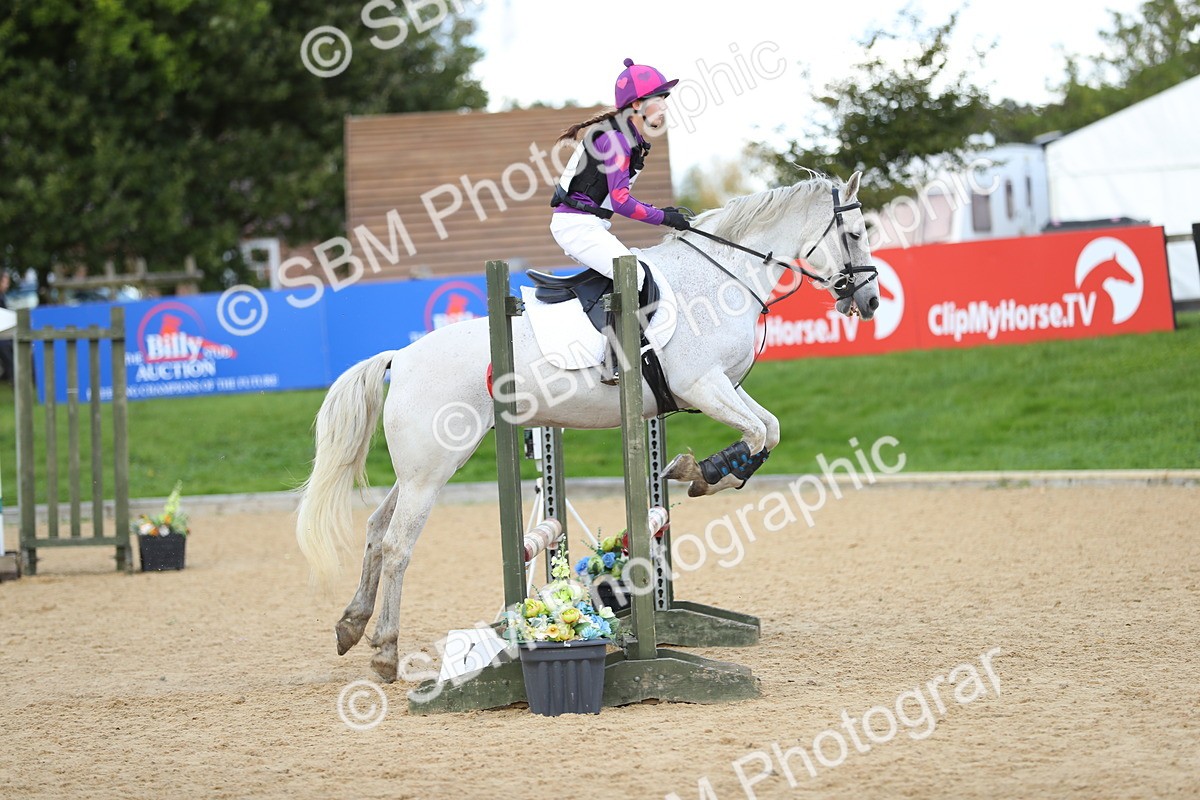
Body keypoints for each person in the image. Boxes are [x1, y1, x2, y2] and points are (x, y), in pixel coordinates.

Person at [550, 57, 692, 293]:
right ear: (637, 105)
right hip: (577, 227)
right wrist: (663, 218)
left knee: (640, 273)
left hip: (590, 225)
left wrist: (661, 212)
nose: (665, 106)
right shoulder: (617, 140)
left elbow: (617, 198)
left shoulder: (626, 136)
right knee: (634, 277)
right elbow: (621, 202)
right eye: (659, 99)